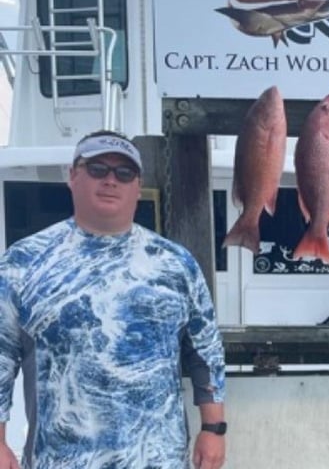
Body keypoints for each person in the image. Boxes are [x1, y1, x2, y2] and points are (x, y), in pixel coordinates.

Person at [0, 130, 227, 469]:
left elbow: (205, 350)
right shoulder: (22, 261)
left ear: (137, 187)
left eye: (123, 173)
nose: (110, 180)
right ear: (72, 176)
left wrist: (213, 428)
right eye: (97, 169)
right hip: (60, 460)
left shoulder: (176, 263)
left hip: (158, 459)